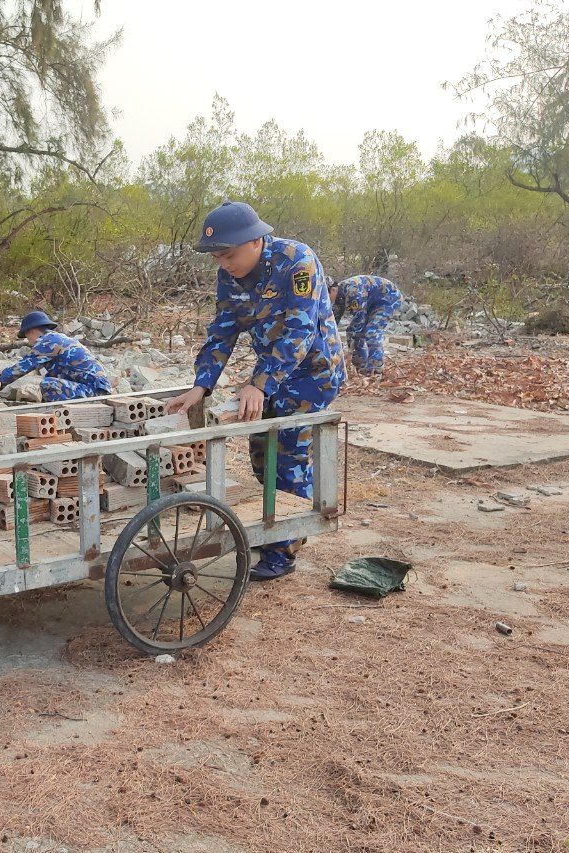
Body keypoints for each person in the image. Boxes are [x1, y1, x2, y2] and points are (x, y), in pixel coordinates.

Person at [166, 201, 346, 581]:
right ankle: (273, 530)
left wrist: (259, 384)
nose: (223, 264)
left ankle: (285, 549)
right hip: (271, 373)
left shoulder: (297, 262)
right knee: (261, 454)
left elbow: (300, 332)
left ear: (255, 241)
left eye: (229, 255)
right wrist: (202, 384)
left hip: (313, 372)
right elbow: (223, 329)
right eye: (217, 257)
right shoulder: (230, 275)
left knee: (289, 454)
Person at [0, 311, 113, 401]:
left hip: (93, 391)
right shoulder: (58, 338)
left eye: (27, 336)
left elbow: (20, 368)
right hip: (98, 388)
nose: (29, 342)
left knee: (46, 385)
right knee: (49, 378)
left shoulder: (47, 343)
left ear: (31, 331)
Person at [329, 274, 403, 376]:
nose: (327, 299)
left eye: (326, 295)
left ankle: (376, 369)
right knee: (351, 332)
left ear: (333, 290)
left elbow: (359, 322)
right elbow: (333, 323)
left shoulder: (353, 292)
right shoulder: (339, 296)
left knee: (371, 331)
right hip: (372, 302)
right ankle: (361, 364)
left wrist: (349, 353)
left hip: (388, 298)